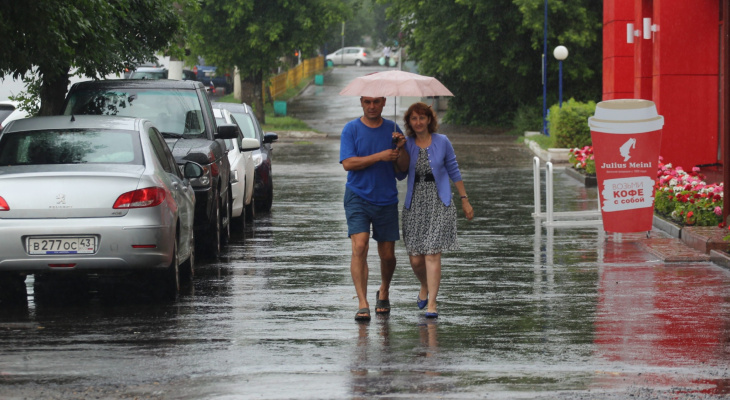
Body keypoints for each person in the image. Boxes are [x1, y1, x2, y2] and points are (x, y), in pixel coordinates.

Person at [395, 102, 474, 319]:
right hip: (415, 203)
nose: (418, 122)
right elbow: (400, 174)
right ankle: (424, 285)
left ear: (429, 119)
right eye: (414, 119)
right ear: (409, 122)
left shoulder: (443, 141)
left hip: (439, 202)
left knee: (432, 253)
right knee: (415, 258)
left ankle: (432, 303)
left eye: (422, 118)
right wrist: (399, 149)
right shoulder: (407, 143)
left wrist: (464, 199)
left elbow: (453, 169)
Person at [340, 96, 408, 322]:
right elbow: (348, 163)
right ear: (360, 101)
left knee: (387, 255)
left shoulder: (393, 130)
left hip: (386, 198)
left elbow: (402, 171)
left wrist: (401, 148)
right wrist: (380, 156)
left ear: (384, 102)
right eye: (367, 102)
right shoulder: (351, 129)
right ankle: (362, 302)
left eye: (376, 102)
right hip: (358, 195)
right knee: (360, 245)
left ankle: (384, 289)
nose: (372, 106)